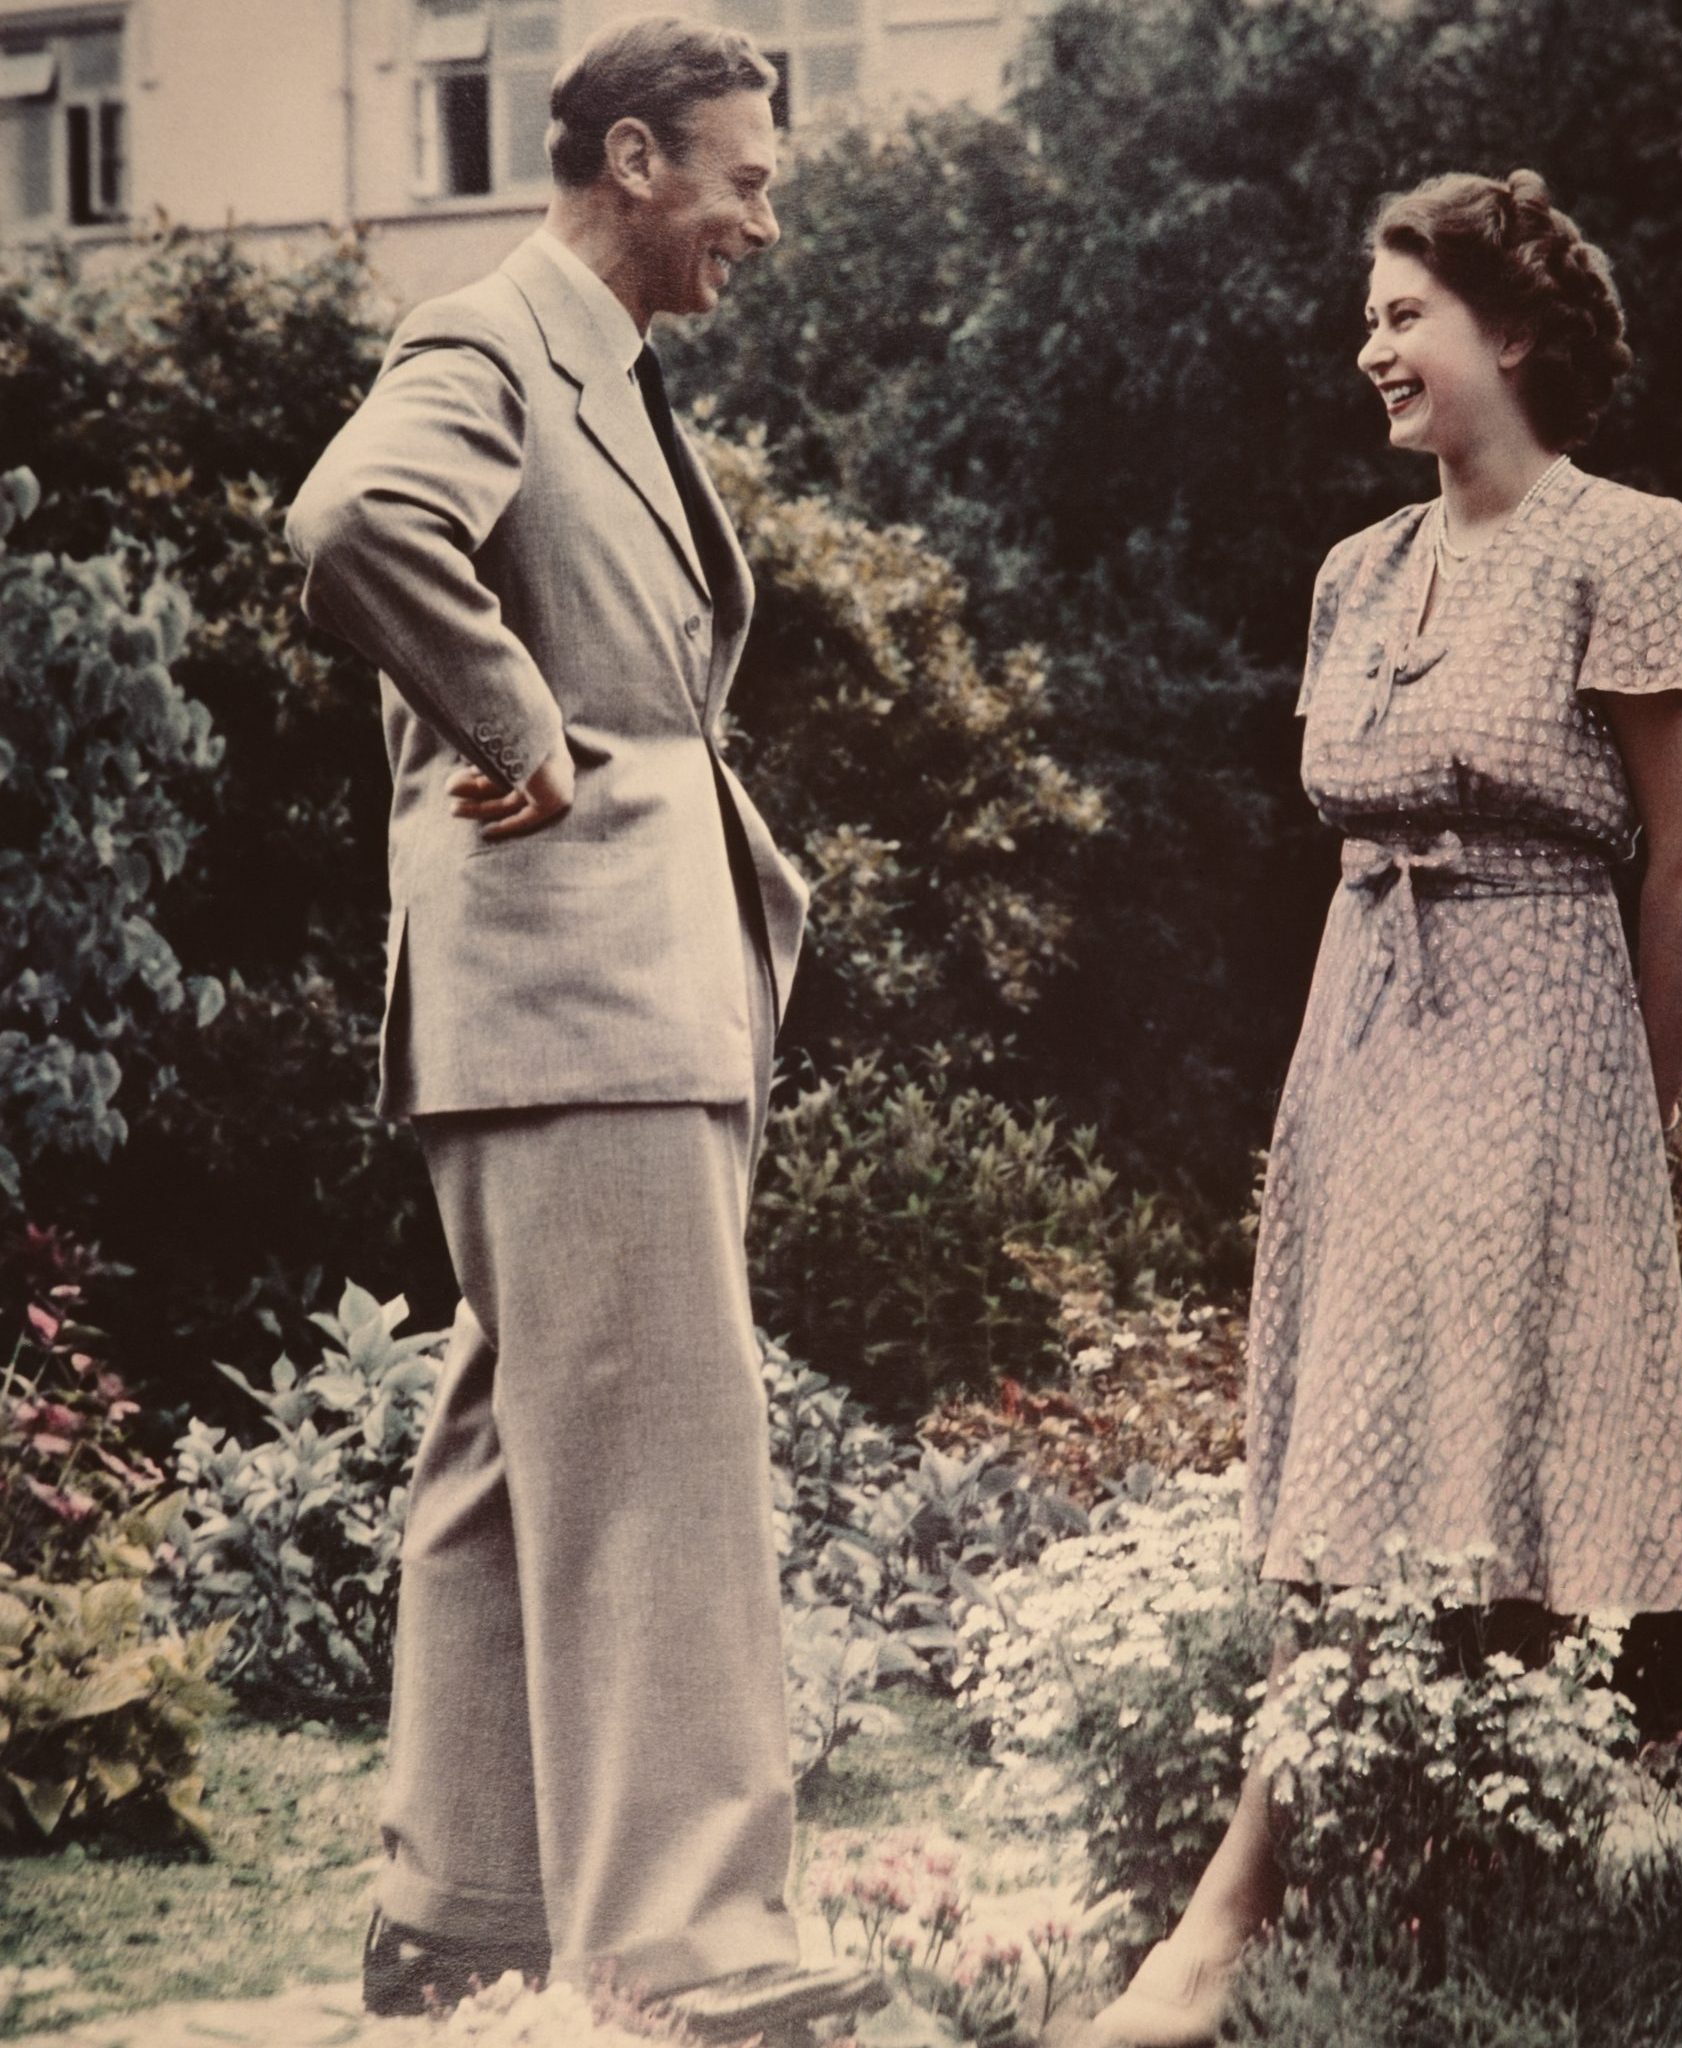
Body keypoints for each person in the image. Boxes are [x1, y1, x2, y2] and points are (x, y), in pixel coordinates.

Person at [1088, 168, 1682, 2048]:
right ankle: (1379, 1893)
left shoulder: (1640, 543)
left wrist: (1629, 1107)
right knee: (1353, 1462)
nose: (1368, 349)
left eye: (1401, 316)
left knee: (1476, 1461)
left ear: (1510, 332)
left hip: (1543, 1022)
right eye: (1370, 321)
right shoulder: (1355, 574)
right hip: (1361, 1016)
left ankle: (1270, 1912)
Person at [286, 18, 883, 2038]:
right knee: (657, 1456)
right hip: (578, 989)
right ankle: (688, 1942)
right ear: (632, 158)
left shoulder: (603, 374)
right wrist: (517, 718)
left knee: (511, 1448)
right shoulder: (489, 340)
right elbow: (354, 524)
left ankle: (462, 1914)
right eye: (745, 176)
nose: (765, 218)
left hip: (598, 992)